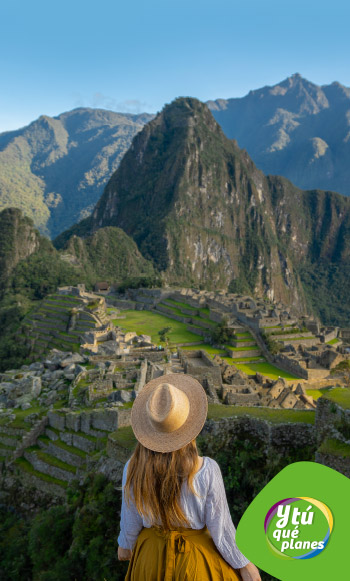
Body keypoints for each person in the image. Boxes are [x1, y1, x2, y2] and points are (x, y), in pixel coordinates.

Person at [117, 373, 261, 581]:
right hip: (192, 561)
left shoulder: (133, 467)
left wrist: (126, 545)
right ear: (189, 428)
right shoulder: (206, 470)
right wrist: (243, 563)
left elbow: (130, 517)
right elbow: (220, 529)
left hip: (149, 558)